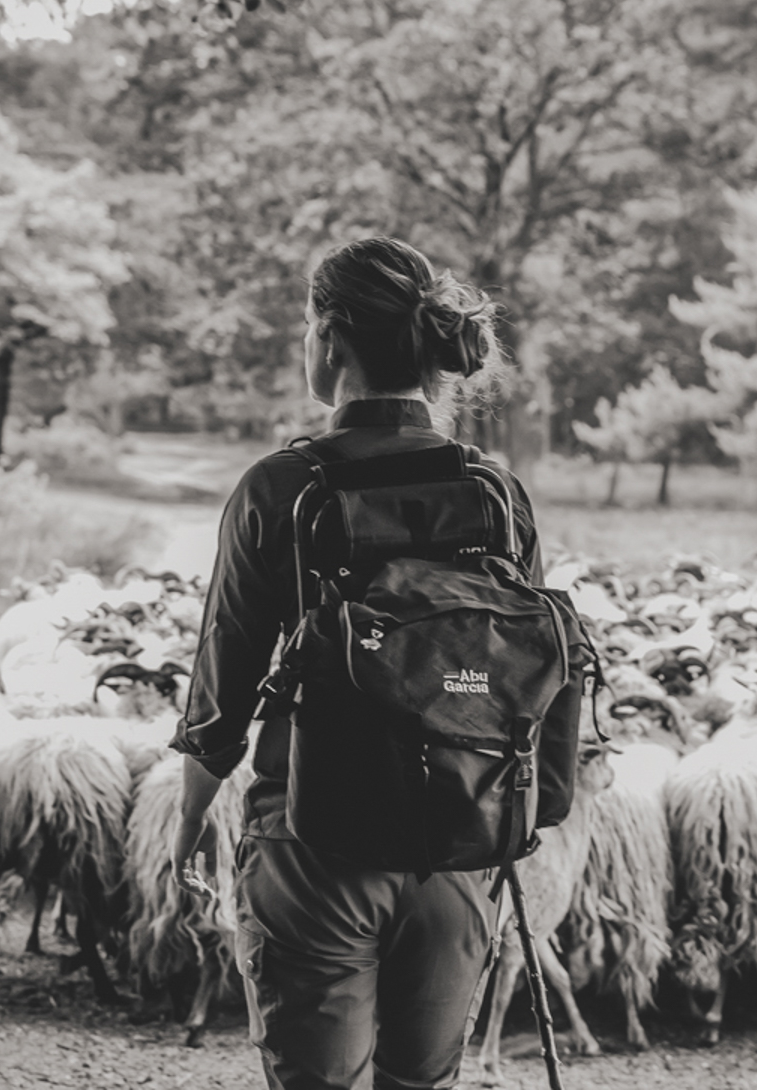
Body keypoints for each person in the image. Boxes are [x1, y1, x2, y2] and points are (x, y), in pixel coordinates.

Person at [170, 236, 539, 1090]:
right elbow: (524, 664)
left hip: (314, 839)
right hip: (459, 839)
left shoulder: (282, 487)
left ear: (330, 338)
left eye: (306, 325)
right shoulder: (495, 492)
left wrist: (189, 816)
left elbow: (224, 675)